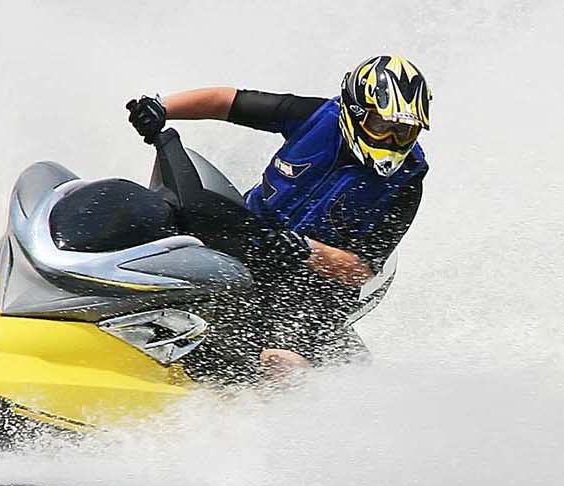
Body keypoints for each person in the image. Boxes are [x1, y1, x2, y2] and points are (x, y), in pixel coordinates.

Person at [124, 55, 433, 380]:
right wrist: (161, 108)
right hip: (252, 237)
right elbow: (226, 102)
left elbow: (362, 270)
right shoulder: (314, 116)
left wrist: (306, 249)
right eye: (383, 126)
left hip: (313, 285)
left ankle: (252, 417)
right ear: (355, 113)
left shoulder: (406, 184)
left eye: (405, 131)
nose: (393, 141)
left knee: (281, 361)